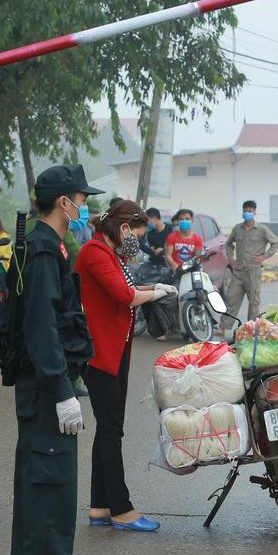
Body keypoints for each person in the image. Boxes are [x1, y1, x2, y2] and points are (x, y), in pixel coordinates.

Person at [4, 164, 102, 555]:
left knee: (37, 482)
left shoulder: (43, 246)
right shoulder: (43, 250)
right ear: (64, 203)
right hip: (46, 389)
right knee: (50, 483)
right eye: (81, 201)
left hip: (41, 386)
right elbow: (42, 328)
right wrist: (63, 390)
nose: (85, 209)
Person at [76, 201, 175, 533]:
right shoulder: (94, 254)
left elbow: (130, 289)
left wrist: (152, 289)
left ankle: (100, 506)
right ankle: (121, 509)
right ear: (122, 228)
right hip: (100, 354)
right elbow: (125, 296)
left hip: (113, 351)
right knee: (111, 431)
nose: (137, 240)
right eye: (136, 233)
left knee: (108, 429)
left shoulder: (110, 255)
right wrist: (154, 292)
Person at [219, 200, 278, 333]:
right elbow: (229, 244)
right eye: (245, 210)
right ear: (242, 212)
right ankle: (223, 327)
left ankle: (251, 328)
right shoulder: (237, 228)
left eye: (250, 210)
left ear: (255, 212)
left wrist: (263, 257)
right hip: (239, 270)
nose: (248, 213)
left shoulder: (262, 229)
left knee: (254, 301)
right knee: (231, 298)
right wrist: (231, 259)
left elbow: (276, 243)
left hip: (253, 270)